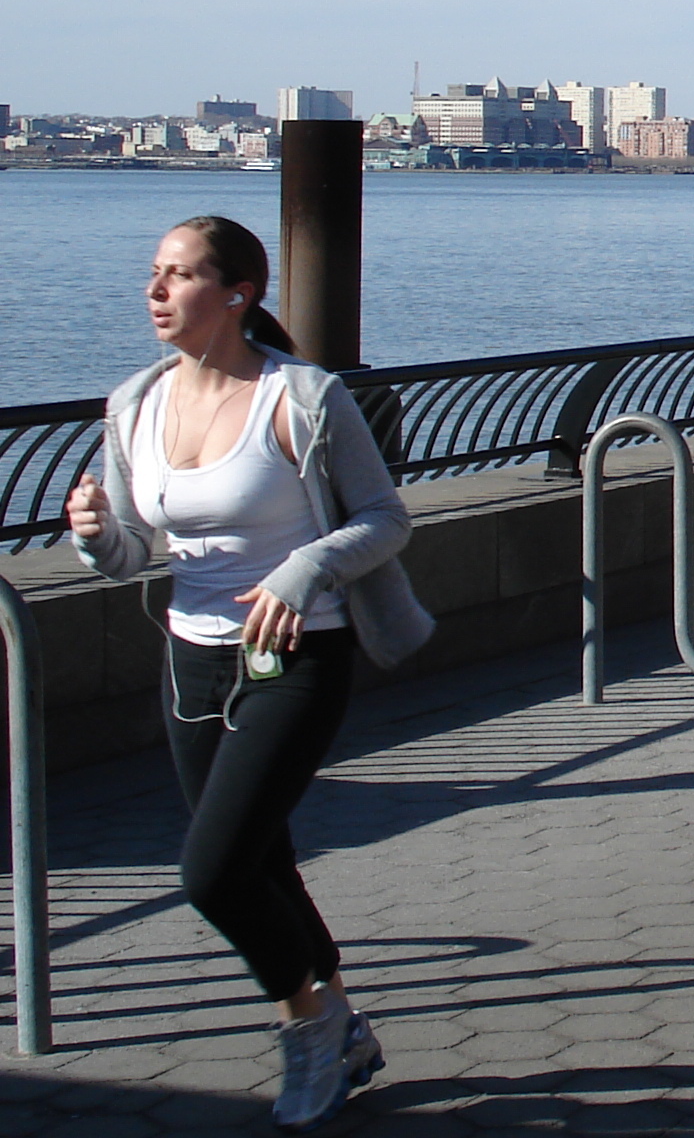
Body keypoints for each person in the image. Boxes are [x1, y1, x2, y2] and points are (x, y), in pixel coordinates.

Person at [64, 218, 435, 1130]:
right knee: (264, 861)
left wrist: (302, 568)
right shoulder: (133, 405)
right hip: (191, 658)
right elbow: (137, 552)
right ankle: (343, 1021)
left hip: (299, 651)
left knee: (212, 872)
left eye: (180, 275)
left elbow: (386, 519)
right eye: (153, 273)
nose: (157, 290)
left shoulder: (302, 397)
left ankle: (308, 1031)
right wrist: (93, 537)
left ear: (238, 294)